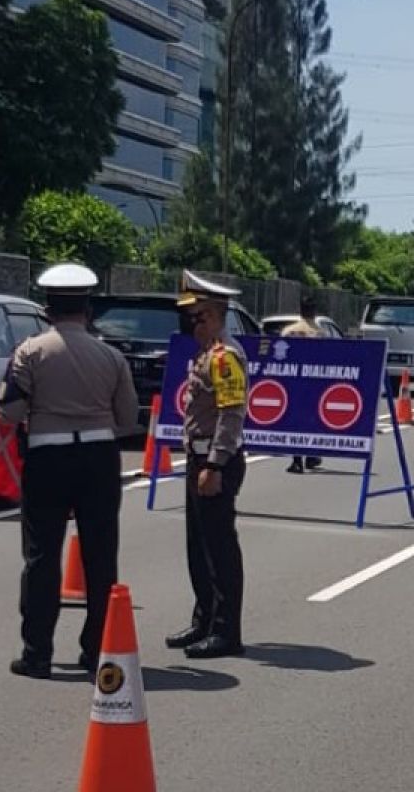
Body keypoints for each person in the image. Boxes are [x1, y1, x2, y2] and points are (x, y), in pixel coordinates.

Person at [0, 263, 138, 678]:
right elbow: (129, 417)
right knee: (100, 556)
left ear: (48, 309)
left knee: (41, 557)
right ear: (88, 309)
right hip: (99, 457)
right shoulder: (112, 356)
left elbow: (10, 412)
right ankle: (97, 649)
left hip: (47, 457)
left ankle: (37, 652)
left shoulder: (29, 352)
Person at [165, 271, 249, 659]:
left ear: (215, 315)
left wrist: (214, 465)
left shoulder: (225, 357)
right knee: (197, 547)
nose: (192, 325)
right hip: (199, 456)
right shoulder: (207, 354)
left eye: (197, 317)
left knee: (218, 548)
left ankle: (225, 630)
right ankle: (204, 618)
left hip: (216, 460)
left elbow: (231, 415)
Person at [281, 297, 323, 474]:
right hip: (312, 382)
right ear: (314, 311)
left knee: (294, 420)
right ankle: (311, 454)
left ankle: (296, 459)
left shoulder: (288, 331)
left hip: (292, 381)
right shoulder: (319, 333)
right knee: (312, 420)